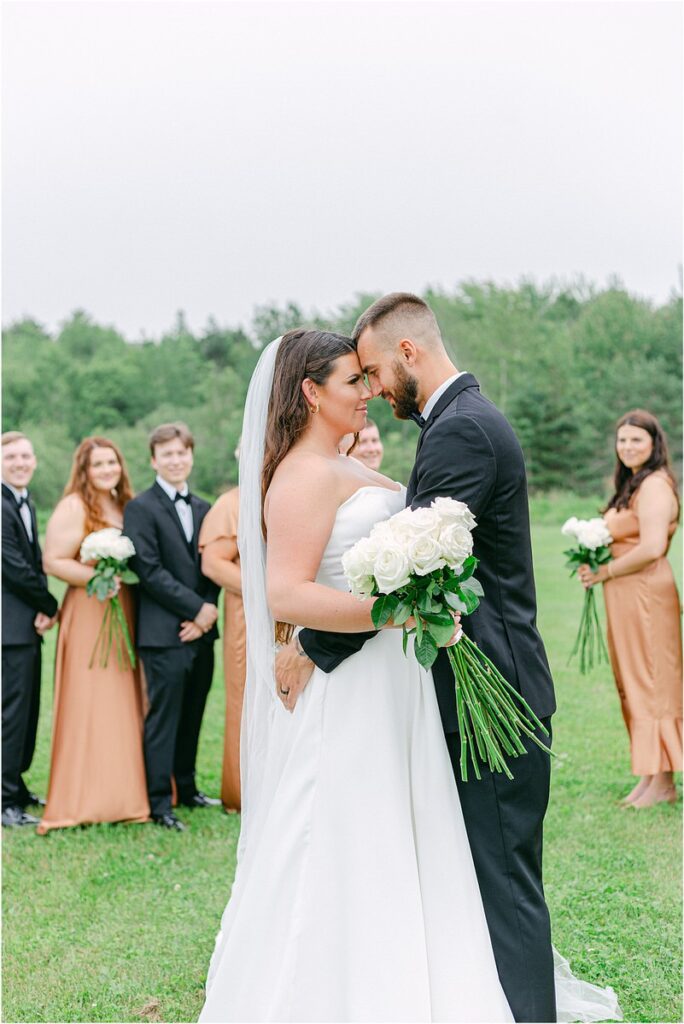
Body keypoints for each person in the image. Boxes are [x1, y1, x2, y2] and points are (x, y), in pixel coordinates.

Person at [199, 328, 619, 1023]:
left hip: (399, 689)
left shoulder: (350, 466)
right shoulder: (301, 477)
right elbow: (290, 594)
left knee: (410, 830)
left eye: (368, 379)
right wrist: (395, 612)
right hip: (354, 695)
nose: (366, 393)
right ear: (310, 392)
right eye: (351, 382)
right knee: (350, 837)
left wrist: (414, 603)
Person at [38, 437, 149, 833]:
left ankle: (125, 793)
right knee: (90, 701)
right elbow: (52, 560)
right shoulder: (73, 506)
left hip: (124, 613)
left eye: (112, 463)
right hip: (89, 612)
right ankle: (82, 797)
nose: (107, 471)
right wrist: (100, 577)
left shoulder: (123, 504)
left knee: (122, 701)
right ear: (84, 470)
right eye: (98, 465)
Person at [578, 410, 682, 809]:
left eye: (636, 440)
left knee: (654, 681)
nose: (627, 447)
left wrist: (606, 571)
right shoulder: (632, 485)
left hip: (646, 596)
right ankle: (649, 774)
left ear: (655, 444)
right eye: (622, 440)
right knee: (634, 682)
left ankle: (663, 781)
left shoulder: (655, 485)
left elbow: (653, 547)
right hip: (625, 598)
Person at [124, 423, 220, 831]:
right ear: (153, 460)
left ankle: (188, 785)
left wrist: (208, 611)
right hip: (163, 633)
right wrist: (196, 608)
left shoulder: (205, 508)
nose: (176, 460)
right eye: (167, 455)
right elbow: (148, 569)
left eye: (181, 453)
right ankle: (160, 801)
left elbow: (216, 564)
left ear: (191, 455)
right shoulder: (140, 508)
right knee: (165, 717)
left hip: (202, 630)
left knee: (195, 711)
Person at [2, 432, 58, 828]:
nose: (21, 463)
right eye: (11, 457)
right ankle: (5, 800)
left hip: (25, 626)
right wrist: (49, 604)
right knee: (11, 713)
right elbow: (14, 568)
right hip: (8, 628)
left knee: (26, 711)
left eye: (26, 455)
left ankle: (16, 786)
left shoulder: (24, 501)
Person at [199, 448, 244, 812]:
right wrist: (266, 592)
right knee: (245, 696)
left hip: (295, 617)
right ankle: (242, 788)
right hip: (248, 615)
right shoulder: (230, 504)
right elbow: (214, 565)